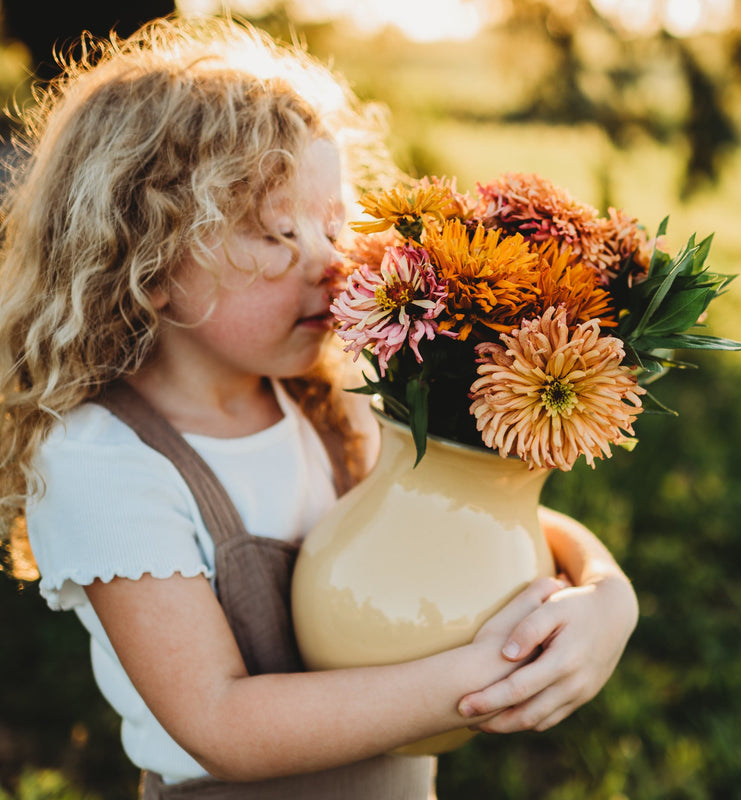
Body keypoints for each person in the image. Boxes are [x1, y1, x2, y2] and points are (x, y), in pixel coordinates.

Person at [0, 15, 638, 799]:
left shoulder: (329, 403)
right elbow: (221, 720)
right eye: (278, 232)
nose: (331, 263)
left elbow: (471, 513)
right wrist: (490, 677)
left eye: (336, 224)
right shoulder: (105, 460)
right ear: (148, 262)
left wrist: (606, 595)